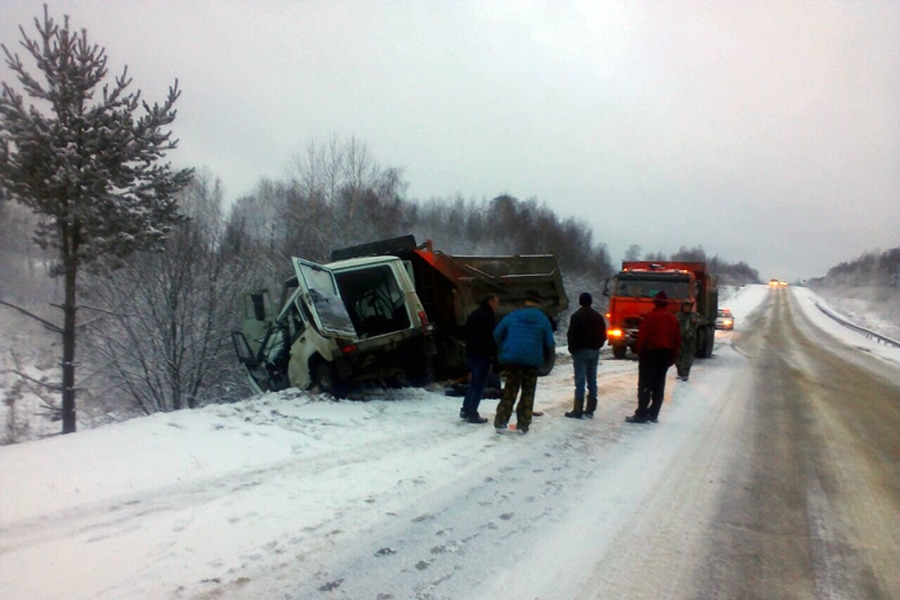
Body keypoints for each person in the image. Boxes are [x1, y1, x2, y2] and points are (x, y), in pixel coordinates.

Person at [493, 289, 555, 434]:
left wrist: (504, 347)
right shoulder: (542, 319)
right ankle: (523, 423)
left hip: (512, 359)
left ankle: (501, 421)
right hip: (532, 362)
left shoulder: (513, 316)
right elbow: (549, 343)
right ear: (538, 302)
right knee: (528, 392)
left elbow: (496, 333)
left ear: (524, 301)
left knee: (510, 391)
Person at [626, 290, 681, 424]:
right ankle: (654, 413)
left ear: (655, 303)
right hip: (665, 355)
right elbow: (677, 340)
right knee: (659, 384)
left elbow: (642, 338)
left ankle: (642, 413)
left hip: (650, 354)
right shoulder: (673, 319)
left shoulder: (650, 317)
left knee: (645, 384)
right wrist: (672, 357)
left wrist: (640, 352)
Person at [565, 292, 607, 419]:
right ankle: (590, 408)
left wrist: (572, 349)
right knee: (592, 380)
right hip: (594, 352)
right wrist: (597, 346)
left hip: (580, 352)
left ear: (580, 301)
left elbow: (571, 334)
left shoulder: (576, 316)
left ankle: (578, 409)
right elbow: (603, 336)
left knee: (580, 380)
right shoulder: (598, 317)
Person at [460, 293, 500, 424]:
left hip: (471, 353)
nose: (497, 305)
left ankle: (466, 409)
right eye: (496, 302)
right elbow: (490, 338)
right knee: (479, 385)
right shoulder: (488, 316)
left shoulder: (474, 313)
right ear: (490, 301)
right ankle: (472, 413)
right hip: (482, 355)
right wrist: (494, 357)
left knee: (474, 383)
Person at [675, 300, 702, 381]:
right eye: (685, 306)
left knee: (688, 358)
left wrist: (697, 321)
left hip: (690, 341)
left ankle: (685, 374)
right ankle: (680, 373)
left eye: (688, 306)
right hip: (679, 340)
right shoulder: (678, 316)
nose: (686, 308)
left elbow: (704, 321)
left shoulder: (695, 315)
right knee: (678, 358)